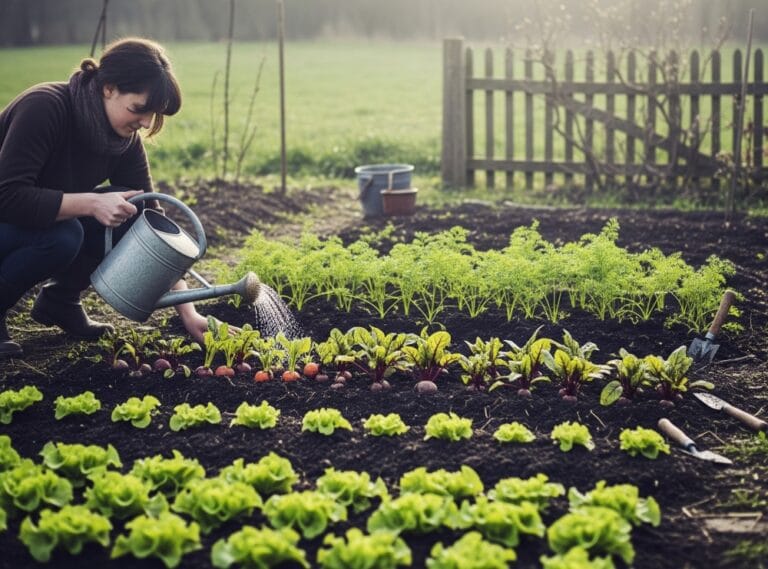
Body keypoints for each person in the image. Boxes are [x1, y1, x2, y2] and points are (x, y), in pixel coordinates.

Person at [0, 37, 213, 359]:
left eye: (153, 114)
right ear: (108, 87)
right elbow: (7, 196)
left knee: (131, 211)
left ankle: (61, 301)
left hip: (29, 222)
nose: (145, 122)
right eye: (139, 109)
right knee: (64, 235)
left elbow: (152, 226)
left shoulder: (123, 139)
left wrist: (189, 314)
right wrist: (91, 204)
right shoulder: (45, 107)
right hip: (7, 216)